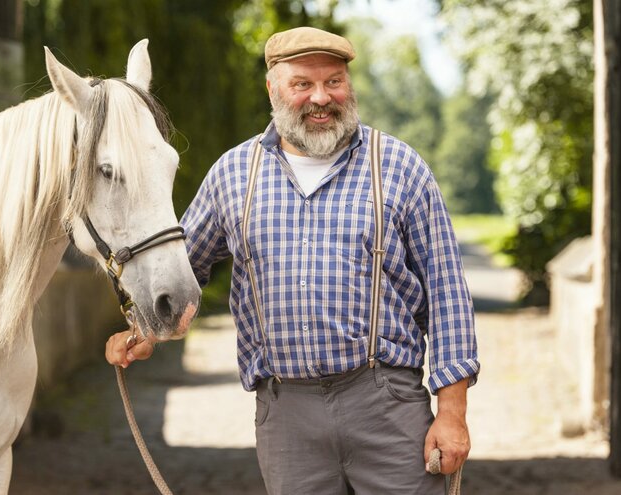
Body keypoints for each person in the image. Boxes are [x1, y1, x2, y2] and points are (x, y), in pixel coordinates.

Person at [106, 26, 479, 494]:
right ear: (273, 88)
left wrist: (451, 414)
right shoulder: (232, 174)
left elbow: (447, 296)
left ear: (349, 84)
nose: (321, 97)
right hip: (285, 414)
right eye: (302, 83)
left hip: (386, 403)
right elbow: (181, 272)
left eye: (334, 81)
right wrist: (146, 331)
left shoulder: (400, 167)